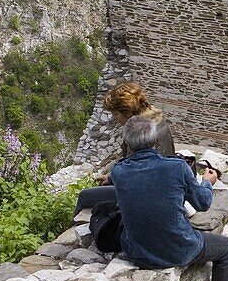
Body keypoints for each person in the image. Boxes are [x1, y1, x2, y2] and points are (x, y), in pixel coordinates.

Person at [112, 116, 228, 281]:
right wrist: (207, 182)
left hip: (136, 252)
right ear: (156, 141)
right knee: (225, 248)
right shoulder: (176, 167)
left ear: (127, 144)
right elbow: (203, 203)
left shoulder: (118, 171)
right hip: (178, 249)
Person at [75, 82, 175, 213]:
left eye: (116, 114)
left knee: (84, 196)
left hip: (144, 193)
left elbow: (133, 173)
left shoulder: (138, 133)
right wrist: (110, 178)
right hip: (163, 186)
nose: (115, 118)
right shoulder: (158, 123)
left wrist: (114, 178)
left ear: (127, 112)